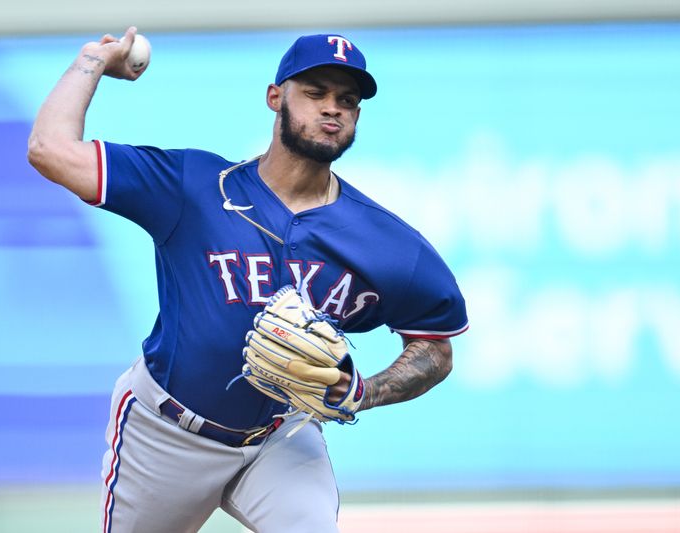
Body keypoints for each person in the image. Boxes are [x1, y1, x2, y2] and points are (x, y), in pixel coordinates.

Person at [28, 27, 468, 533]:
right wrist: (93, 61)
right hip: (165, 434)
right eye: (315, 92)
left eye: (346, 100)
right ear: (275, 97)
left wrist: (363, 392)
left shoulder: (386, 242)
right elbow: (49, 149)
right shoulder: (192, 188)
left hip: (281, 439)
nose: (332, 108)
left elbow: (436, 345)